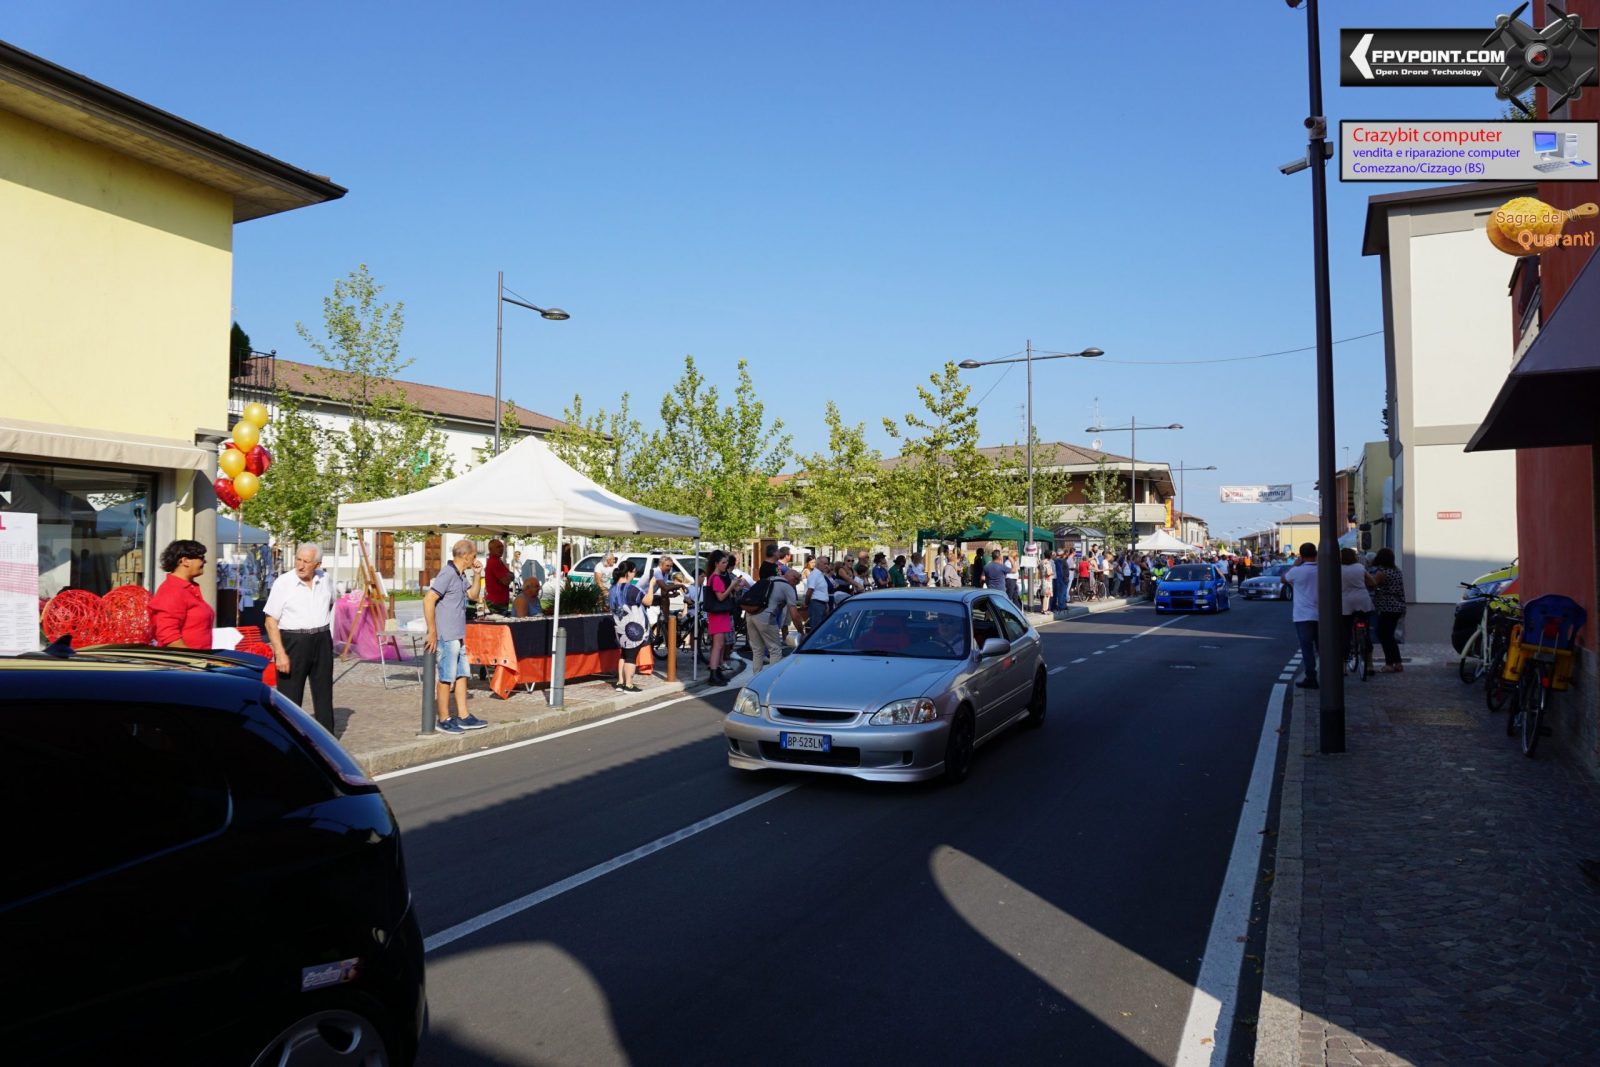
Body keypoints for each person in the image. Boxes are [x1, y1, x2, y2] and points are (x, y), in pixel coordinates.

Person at [263, 544, 337, 732]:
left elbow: (331, 603)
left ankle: (327, 739)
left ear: (318, 564)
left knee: (324, 693)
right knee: (290, 696)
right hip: (294, 640)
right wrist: (280, 653)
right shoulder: (283, 583)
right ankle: (290, 738)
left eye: (306, 562)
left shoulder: (325, 580)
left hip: (321, 638)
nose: (301, 565)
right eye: (298, 560)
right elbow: (270, 621)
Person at [422, 539, 489, 733]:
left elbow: (473, 595)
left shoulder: (460, 575)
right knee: (446, 677)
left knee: (461, 675)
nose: (474, 559)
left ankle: (464, 716)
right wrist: (432, 631)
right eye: (474, 556)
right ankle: (443, 719)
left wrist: (478, 574)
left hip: (458, 634)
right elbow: (429, 600)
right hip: (447, 635)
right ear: (465, 556)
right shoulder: (448, 573)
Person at [148, 539, 213, 650]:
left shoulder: (188, 588)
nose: (204, 561)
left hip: (200, 657)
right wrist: (190, 658)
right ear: (185, 561)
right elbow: (168, 634)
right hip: (186, 659)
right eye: (201, 558)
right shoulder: (172, 590)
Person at [607, 558, 654, 691]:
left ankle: (620, 682)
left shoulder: (612, 589)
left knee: (624, 654)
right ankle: (629, 684)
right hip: (633, 628)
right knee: (631, 657)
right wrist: (651, 585)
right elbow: (648, 601)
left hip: (620, 627)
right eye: (634, 572)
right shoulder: (631, 589)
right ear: (628, 573)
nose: (634, 575)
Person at [1282, 542, 1322, 689]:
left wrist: (1295, 565)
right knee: (1323, 647)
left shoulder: (1297, 571)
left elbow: (1283, 579)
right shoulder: (1323, 569)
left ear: (1301, 556)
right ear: (1316, 554)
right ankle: (1329, 676)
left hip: (1303, 615)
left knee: (1307, 648)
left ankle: (1311, 677)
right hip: (1322, 615)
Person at [747, 569, 803, 673]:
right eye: (796, 583)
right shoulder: (787, 587)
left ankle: (756, 678)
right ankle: (772, 678)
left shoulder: (769, 579)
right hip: (766, 617)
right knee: (775, 650)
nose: (795, 586)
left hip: (750, 614)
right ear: (793, 579)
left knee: (757, 650)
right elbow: (794, 615)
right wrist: (801, 632)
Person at [701, 551, 741, 686]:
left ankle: (717, 671)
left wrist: (735, 585)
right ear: (716, 563)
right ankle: (713, 673)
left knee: (719, 645)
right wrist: (732, 586)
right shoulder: (716, 578)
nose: (725, 565)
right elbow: (721, 597)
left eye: (726, 562)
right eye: (723, 562)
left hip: (721, 614)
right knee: (717, 646)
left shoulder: (716, 577)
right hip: (718, 615)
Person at [1369, 547, 1407, 673]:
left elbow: (1372, 583)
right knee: (1389, 635)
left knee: (1383, 634)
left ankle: (1389, 664)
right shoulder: (1397, 571)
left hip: (1387, 607)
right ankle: (1398, 663)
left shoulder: (1382, 573)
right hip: (1398, 607)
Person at [1340, 546, 1377, 672]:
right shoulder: (1360, 567)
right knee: (1366, 631)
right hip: (1363, 601)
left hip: (1345, 603)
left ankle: (1343, 667)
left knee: (1345, 634)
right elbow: (1372, 582)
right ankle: (1370, 664)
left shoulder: (1337, 569)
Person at [483, 538, 513, 615]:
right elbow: (506, 581)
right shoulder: (494, 562)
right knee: (499, 622)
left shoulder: (498, 560)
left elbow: (511, 576)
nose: (501, 549)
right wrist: (509, 576)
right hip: (496, 602)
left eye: (502, 546)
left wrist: (509, 576)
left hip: (500, 600)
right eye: (498, 547)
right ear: (490, 549)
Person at [804, 556, 832, 632]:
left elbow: (822, 591)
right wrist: (807, 603)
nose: (827, 566)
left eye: (827, 564)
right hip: (816, 603)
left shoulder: (820, 574)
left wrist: (826, 604)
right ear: (818, 564)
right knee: (816, 628)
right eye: (824, 564)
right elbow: (809, 591)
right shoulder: (814, 574)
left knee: (821, 628)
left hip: (821, 604)